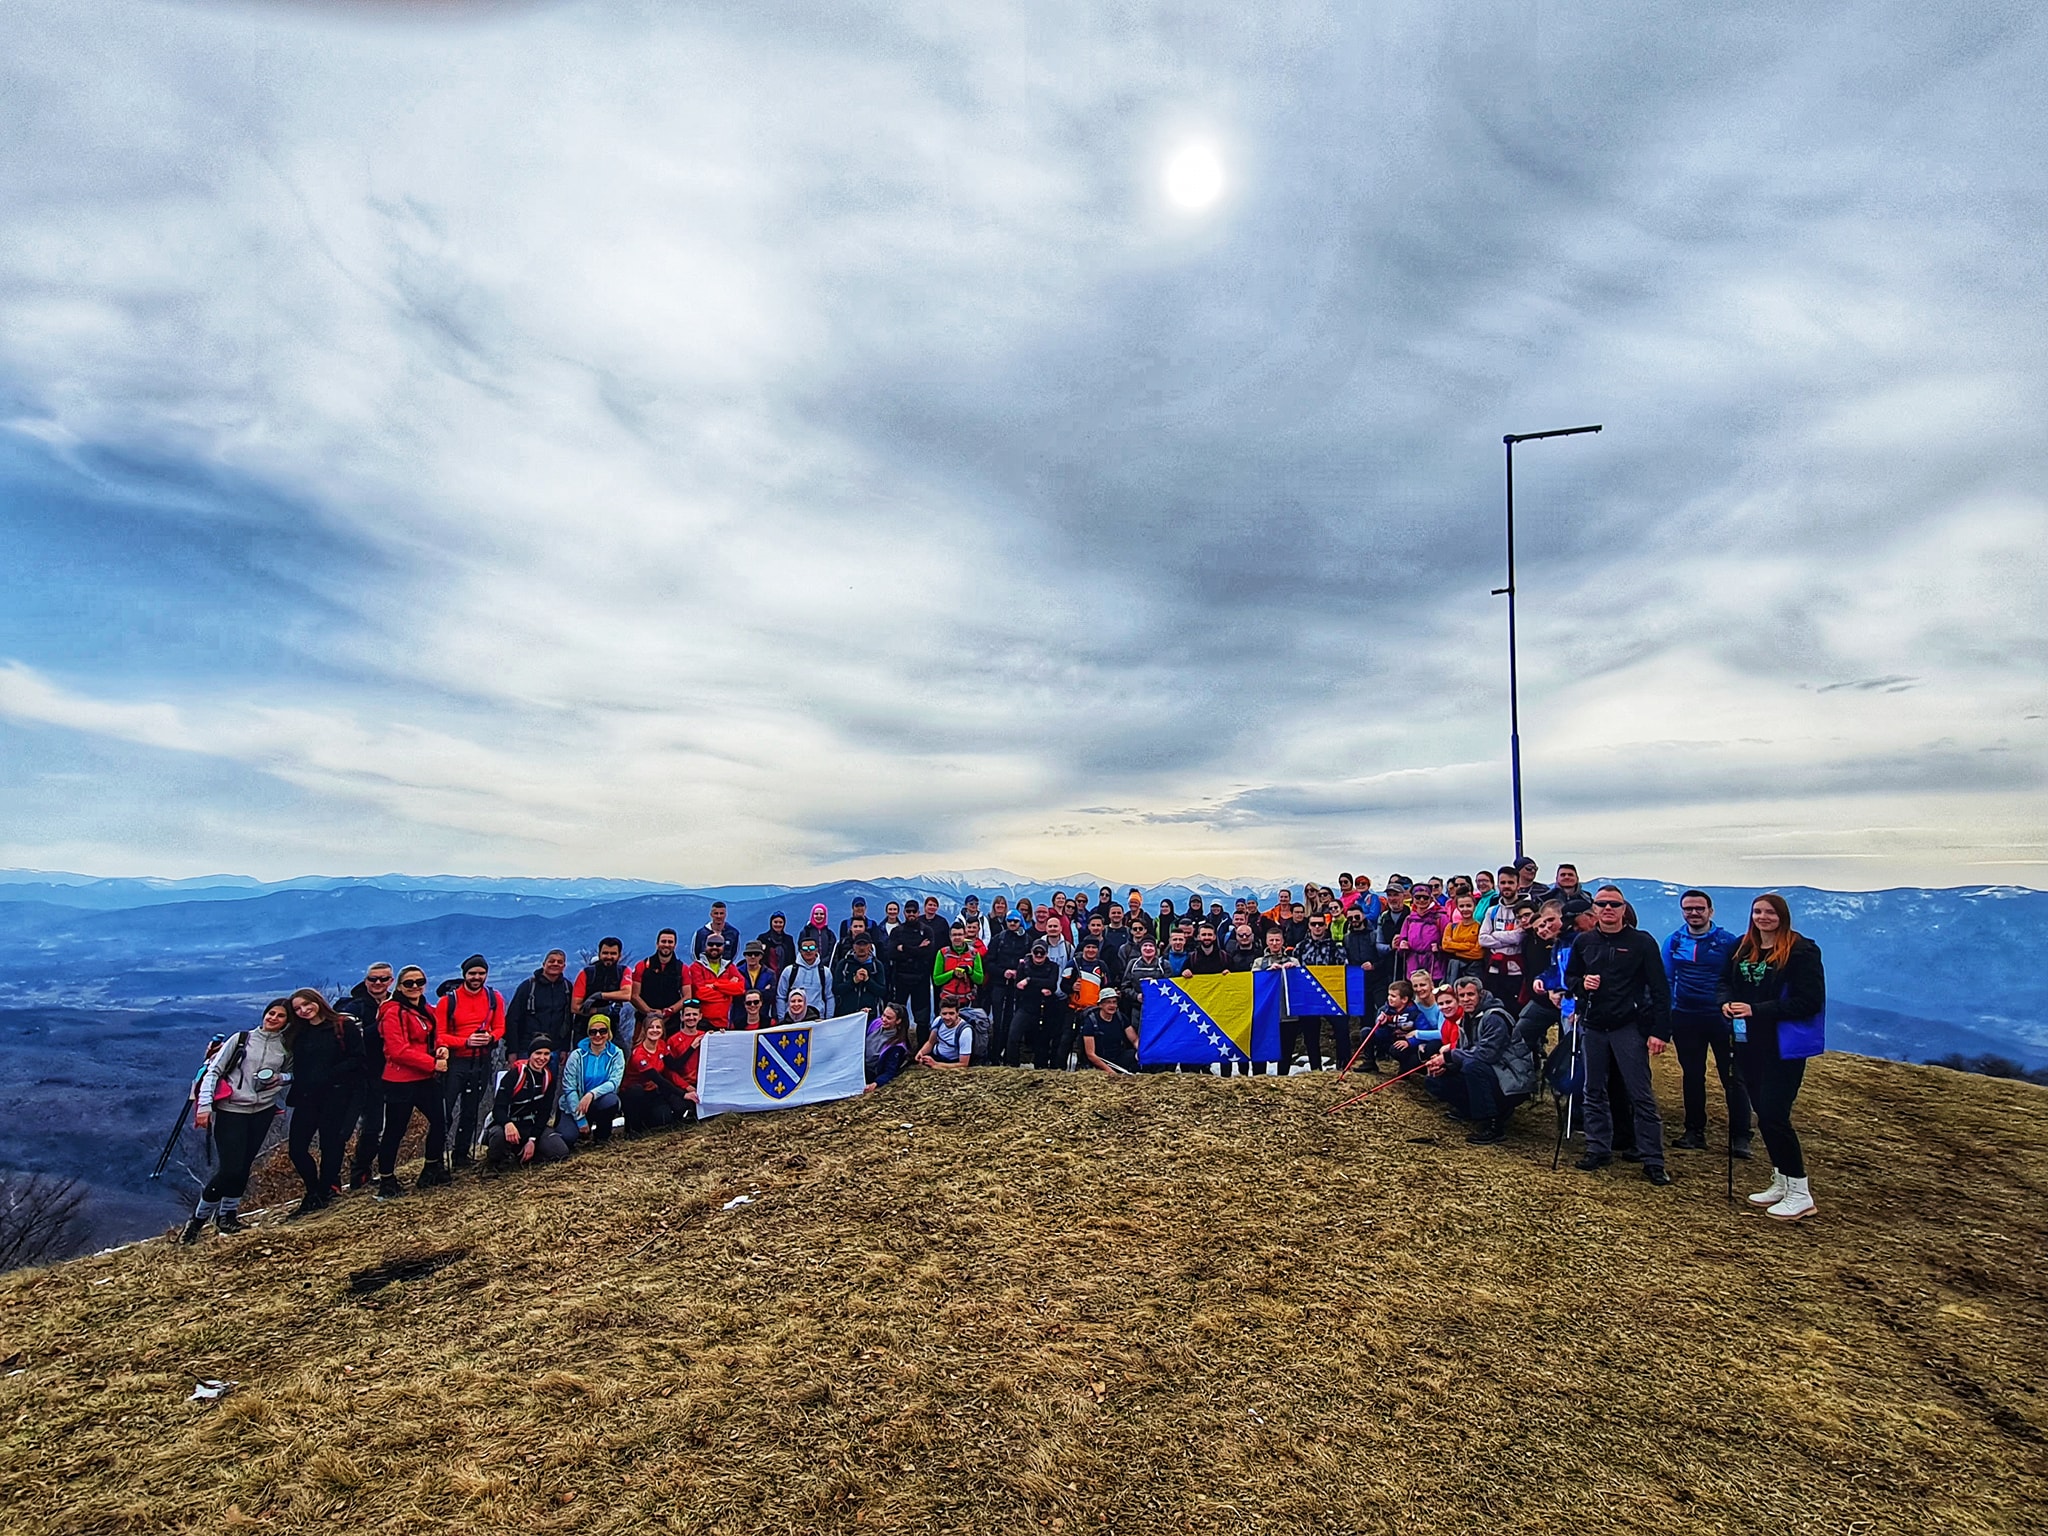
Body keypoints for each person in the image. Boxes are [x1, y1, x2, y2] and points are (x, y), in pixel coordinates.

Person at [1720, 893, 1826, 1220]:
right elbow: (1724, 982)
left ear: (1782, 916)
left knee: (1774, 1115)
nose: (1762, 917)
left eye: (1770, 912)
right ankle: (1782, 1180)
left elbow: (1809, 1001)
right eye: (1757, 911)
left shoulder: (1801, 951)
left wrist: (1756, 1010)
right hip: (1748, 1042)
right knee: (1763, 1113)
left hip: (1782, 1047)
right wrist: (1725, 1003)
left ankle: (1800, 1192)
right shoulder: (1743, 947)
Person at [1565, 885, 1673, 1186]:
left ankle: (1653, 1159)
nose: (1608, 909)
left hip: (1629, 1025)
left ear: (1624, 909)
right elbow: (1570, 977)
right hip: (1594, 1024)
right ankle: (1597, 1149)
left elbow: (1660, 989)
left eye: (1614, 904)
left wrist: (1660, 1031)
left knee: (1640, 1094)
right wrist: (1581, 984)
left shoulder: (1641, 942)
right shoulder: (1584, 941)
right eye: (1602, 904)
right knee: (1593, 1089)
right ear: (1594, 909)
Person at [183, 999, 300, 1241]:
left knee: (243, 1167)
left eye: (280, 1016)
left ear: (287, 1021)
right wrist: (204, 1106)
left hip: (263, 1111)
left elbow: (293, 1074)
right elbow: (214, 1071)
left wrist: (280, 1079)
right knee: (230, 1169)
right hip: (232, 1110)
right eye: (271, 1013)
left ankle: (227, 1217)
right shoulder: (241, 1039)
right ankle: (196, 1223)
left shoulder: (286, 1047)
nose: (273, 1018)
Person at [1663, 891, 1751, 1157]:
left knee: (1733, 1076)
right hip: (1685, 1015)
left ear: (1711, 911)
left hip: (1722, 1016)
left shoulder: (1727, 941)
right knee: (1692, 1075)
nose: (1694, 913)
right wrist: (1666, 1014)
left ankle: (1740, 1136)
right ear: (1682, 911)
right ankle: (1694, 1131)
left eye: (1699, 908)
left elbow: (1738, 978)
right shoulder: (1674, 941)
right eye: (1688, 908)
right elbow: (1666, 979)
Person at [283, 987, 365, 1218]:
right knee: (297, 1149)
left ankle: (323, 1192)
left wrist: (330, 1074)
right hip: (306, 1098)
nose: (303, 1010)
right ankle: (313, 1189)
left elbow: (358, 1058)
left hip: (336, 1097)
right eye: (297, 1008)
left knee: (331, 1146)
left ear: (318, 1001)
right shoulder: (297, 1032)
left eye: (306, 1004)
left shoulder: (342, 1026)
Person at [1425, 977, 1537, 1143]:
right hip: (1489, 1072)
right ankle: (1470, 1110)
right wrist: (1445, 1066)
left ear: (1481, 994)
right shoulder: (1466, 1018)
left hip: (1510, 1078)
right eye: (1462, 995)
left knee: (1472, 1067)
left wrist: (1448, 1056)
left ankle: (1493, 1125)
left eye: (1470, 994)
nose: (1466, 999)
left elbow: (1487, 1055)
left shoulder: (1495, 1017)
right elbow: (1465, 1051)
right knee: (1435, 1080)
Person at [374, 966, 450, 1199]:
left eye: (419, 982)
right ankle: (387, 1180)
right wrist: (432, 1063)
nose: (415, 986)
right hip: (401, 1080)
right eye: (409, 983)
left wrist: (442, 1047)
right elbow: (397, 1050)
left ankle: (432, 1167)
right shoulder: (392, 1012)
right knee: (395, 1130)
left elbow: (437, 1033)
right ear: (399, 986)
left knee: (441, 1121)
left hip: (425, 1078)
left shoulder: (425, 1008)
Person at [436, 955, 505, 1168]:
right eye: (472, 973)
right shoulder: (448, 1001)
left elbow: (500, 1027)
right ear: (464, 974)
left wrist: (491, 1037)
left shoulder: (494, 998)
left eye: (481, 973)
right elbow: (439, 1036)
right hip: (455, 1062)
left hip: (482, 1061)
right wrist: (465, 1041)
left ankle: (461, 1155)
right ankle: (436, 1158)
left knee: (471, 1111)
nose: (477, 977)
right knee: (445, 1112)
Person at [336, 961, 392, 1193]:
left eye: (383, 979)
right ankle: (336, 1179)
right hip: (358, 1075)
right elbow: (351, 1040)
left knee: (377, 1127)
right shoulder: (353, 1007)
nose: (378, 983)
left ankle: (363, 1173)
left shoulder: (398, 1003)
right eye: (373, 979)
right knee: (344, 1130)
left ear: (391, 981)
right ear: (365, 981)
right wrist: (382, 1025)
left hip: (387, 1074)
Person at [484, 1036, 571, 1169]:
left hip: (531, 1125)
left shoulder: (548, 1078)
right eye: (538, 1053)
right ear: (530, 1054)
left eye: (546, 1054)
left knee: (560, 1152)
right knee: (498, 1136)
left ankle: (524, 1156)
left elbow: (545, 1112)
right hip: (509, 1124)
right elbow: (498, 1108)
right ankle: (495, 1163)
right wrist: (507, 1124)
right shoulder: (514, 1075)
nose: (542, 1058)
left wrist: (533, 1139)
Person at [559, 1014, 626, 1146]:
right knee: (568, 1137)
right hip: (576, 1103)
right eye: (593, 1032)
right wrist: (580, 1120)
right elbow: (569, 1088)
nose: (598, 1035)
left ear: (608, 1033)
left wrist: (591, 1094)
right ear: (588, 1034)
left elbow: (614, 1082)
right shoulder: (576, 1055)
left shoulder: (617, 1054)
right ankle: (582, 1130)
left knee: (611, 1101)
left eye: (602, 1031)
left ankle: (602, 1136)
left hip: (599, 1101)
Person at [622, 1018, 693, 1134]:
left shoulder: (661, 1044)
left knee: (665, 1117)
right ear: (645, 1030)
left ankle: (648, 1120)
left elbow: (674, 1065)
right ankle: (633, 1127)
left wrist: (692, 1047)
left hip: (652, 1091)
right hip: (634, 1093)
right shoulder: (639, 1055)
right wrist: (684, 1094)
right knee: (636, 1091)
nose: (655, 1030)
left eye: (658, 1027)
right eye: (651, 1027)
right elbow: (659, 1080)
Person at [508, 950, 575, 1060]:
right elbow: (512, 1019)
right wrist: (512, 1051)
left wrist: (565, 1049)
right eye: (552, 961)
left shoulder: (567, 988)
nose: (555, 964)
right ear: (544, 964)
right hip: (527, 1048)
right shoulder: (528, 986)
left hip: (554, 1049)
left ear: (564, 966)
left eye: (559, 962)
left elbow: (568, 1020)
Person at [1013, 937, 1065, 1069]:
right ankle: (1011, 1066)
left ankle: (1041, 1068)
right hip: (1026, 1006)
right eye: (1036, 952)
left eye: (1042, 952)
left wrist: (1029, 981)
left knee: (1042, 1041)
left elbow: (1052, 985)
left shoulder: (1053, 966)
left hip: (1045, 1008)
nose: (1039, 955)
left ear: (1047, 953)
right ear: (1031, 952)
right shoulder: (1023, 965)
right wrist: (1040, 986)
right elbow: (1018, 987)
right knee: (1013, 1036)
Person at [572, 938, 635, 1045]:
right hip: (584, 1030)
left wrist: (600, 995)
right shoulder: (586, 973)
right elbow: (575, 1007)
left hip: (612, 1029)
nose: (609, 956)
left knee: (623, 1053)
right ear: (599, 954)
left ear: (620, 956)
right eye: (605, 953)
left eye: (613, 953)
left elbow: (626, 994)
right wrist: (601, 1010)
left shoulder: (624, 971)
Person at [630, 929, 687, 1036]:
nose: (666, 945)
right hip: (644, 1020)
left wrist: (669, 1011)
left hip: (671, 1022)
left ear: (675, 945)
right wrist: (649, 1012)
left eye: (670, 942)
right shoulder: (642, 966)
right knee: (639, 1046)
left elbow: (687, 996)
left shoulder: (682, 968)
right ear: (657, 944)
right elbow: (634, 995)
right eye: (663, 941)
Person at [685, 935, 746, 1028]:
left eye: (718, 944)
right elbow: (700, 993)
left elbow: (740, 988)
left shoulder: (730, 966)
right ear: (705, 946)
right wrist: (727, 991)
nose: (714, 947)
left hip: (726, 1023)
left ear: (723, 947)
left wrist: (716, 985)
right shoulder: (696, 967)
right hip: (703, 1022)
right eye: (711, 944)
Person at [1077, 989, 1139, 1074]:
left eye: (1114, 1002)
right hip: (1100, 1061)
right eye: (1108, 1002)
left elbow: (1135, 1040)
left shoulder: (1121, 1018)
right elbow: (1091, 1054)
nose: (1112, 1005)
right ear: (1100, 1005)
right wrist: (1111, 1072)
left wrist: (1141, 1052)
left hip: (1118, 1057)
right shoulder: (1091, 1022)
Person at [778, 935, 836, 1021]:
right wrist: (782, 1019)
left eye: (812, 948)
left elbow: (829, 997)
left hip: (817, 1020)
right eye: (805, 948)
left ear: (817, 950)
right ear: (800, 951)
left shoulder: (825, 972)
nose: (808, 951)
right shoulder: (789, 971)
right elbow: (781, 997)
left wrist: (828, 1020)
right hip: (793, 1020)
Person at [835, 931, 889, 1018]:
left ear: (870, 946)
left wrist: (868, 980)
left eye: (865, 944)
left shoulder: (877, 965)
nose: (862, 948)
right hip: (846, 1015)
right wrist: (853, 981)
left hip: (869, 1014)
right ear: (853, 946)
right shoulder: (844, 964)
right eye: (859, 944)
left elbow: (882, 991)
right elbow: (836, 989)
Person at [934, 925, 984, 1012]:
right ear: (950, 937)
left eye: (960, 934)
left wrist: (969, 970)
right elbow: (936, 980)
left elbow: (980, 979)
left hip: (968, 1002)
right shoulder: (943, 953)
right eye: (954, 935)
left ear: (965, 936)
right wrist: (953, 973)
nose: (957, 937)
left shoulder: (974, 953)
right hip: (947, 1001)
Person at [916, 997, 974, 1069]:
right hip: (935, 1056)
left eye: (951, 1013)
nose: (947, 1017)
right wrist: (921, 1052)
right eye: (944, 1014)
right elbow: (931, 1042)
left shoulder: (965, 1032)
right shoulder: (938, 1021)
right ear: (940, 1013)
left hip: (950, 1062)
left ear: (957, 1013)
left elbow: (964, 1063)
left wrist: (936, 1064)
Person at [866, 1001, 913, 1088]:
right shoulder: (876, 1023)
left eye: (888, 1018)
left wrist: (876, 1083)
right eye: (883, 1015)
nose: (883, 1019)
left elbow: (890, 1071)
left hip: (870, 1073)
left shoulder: (898, 1045)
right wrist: (862, 1016)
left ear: (898, 1021)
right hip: (858, 1063)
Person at [798, 903, 838, 967]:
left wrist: (824, 961)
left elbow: (832, 951)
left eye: (821, 914)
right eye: (816, 914)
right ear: (812, 915)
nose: (819, 916)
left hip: (827, 966)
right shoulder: (806, 932)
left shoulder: (830, 934)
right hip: (808, 965)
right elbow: (801, 949)